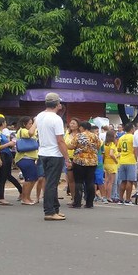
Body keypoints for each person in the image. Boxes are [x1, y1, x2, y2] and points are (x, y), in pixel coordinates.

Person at [36, 93, 71, 221]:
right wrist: (67, 157)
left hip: (43, 152)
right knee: (52, 183)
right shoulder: (56, 119)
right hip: (54, 154)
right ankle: (49, 211)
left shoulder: (39, 116)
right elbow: (60, 141)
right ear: (57, 104)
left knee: (51, 182)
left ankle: (55, 209)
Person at [67, 121, 101, 209]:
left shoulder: (78, 135)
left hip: (79, 161)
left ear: (82, 127)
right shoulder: (95, 136)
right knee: (90, 182)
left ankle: (77, 202)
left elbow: (71, 146)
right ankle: (89, 203)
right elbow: (98, 146)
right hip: (92, 161)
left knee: (78, 182)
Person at [0, 116, 21, 205]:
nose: (6, 124)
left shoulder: (1, 133)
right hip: (3, 155)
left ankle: (21, 190)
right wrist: (9, 143)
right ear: (2, 123)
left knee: (7, 175)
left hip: (7, 155)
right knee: (3, 177)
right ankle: (0, 197)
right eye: (4, 122)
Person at [117, 123, 137, 205]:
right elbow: (136, 148)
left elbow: (118, 149)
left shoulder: (121, 138)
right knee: (130, 181)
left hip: (122, 160)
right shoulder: (133, 137)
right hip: (131, 160)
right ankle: (128, 199)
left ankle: (120, 199)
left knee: (123, 181)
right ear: (132, 129)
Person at [103, 130, 119, 204]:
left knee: (106, 180)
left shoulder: (105, 144)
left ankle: (104, 196)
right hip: (112, 163)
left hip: (106, 162)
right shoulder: (112, 144)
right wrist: (116, 159)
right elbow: (111, 154)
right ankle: (109, 196)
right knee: (111, 182)